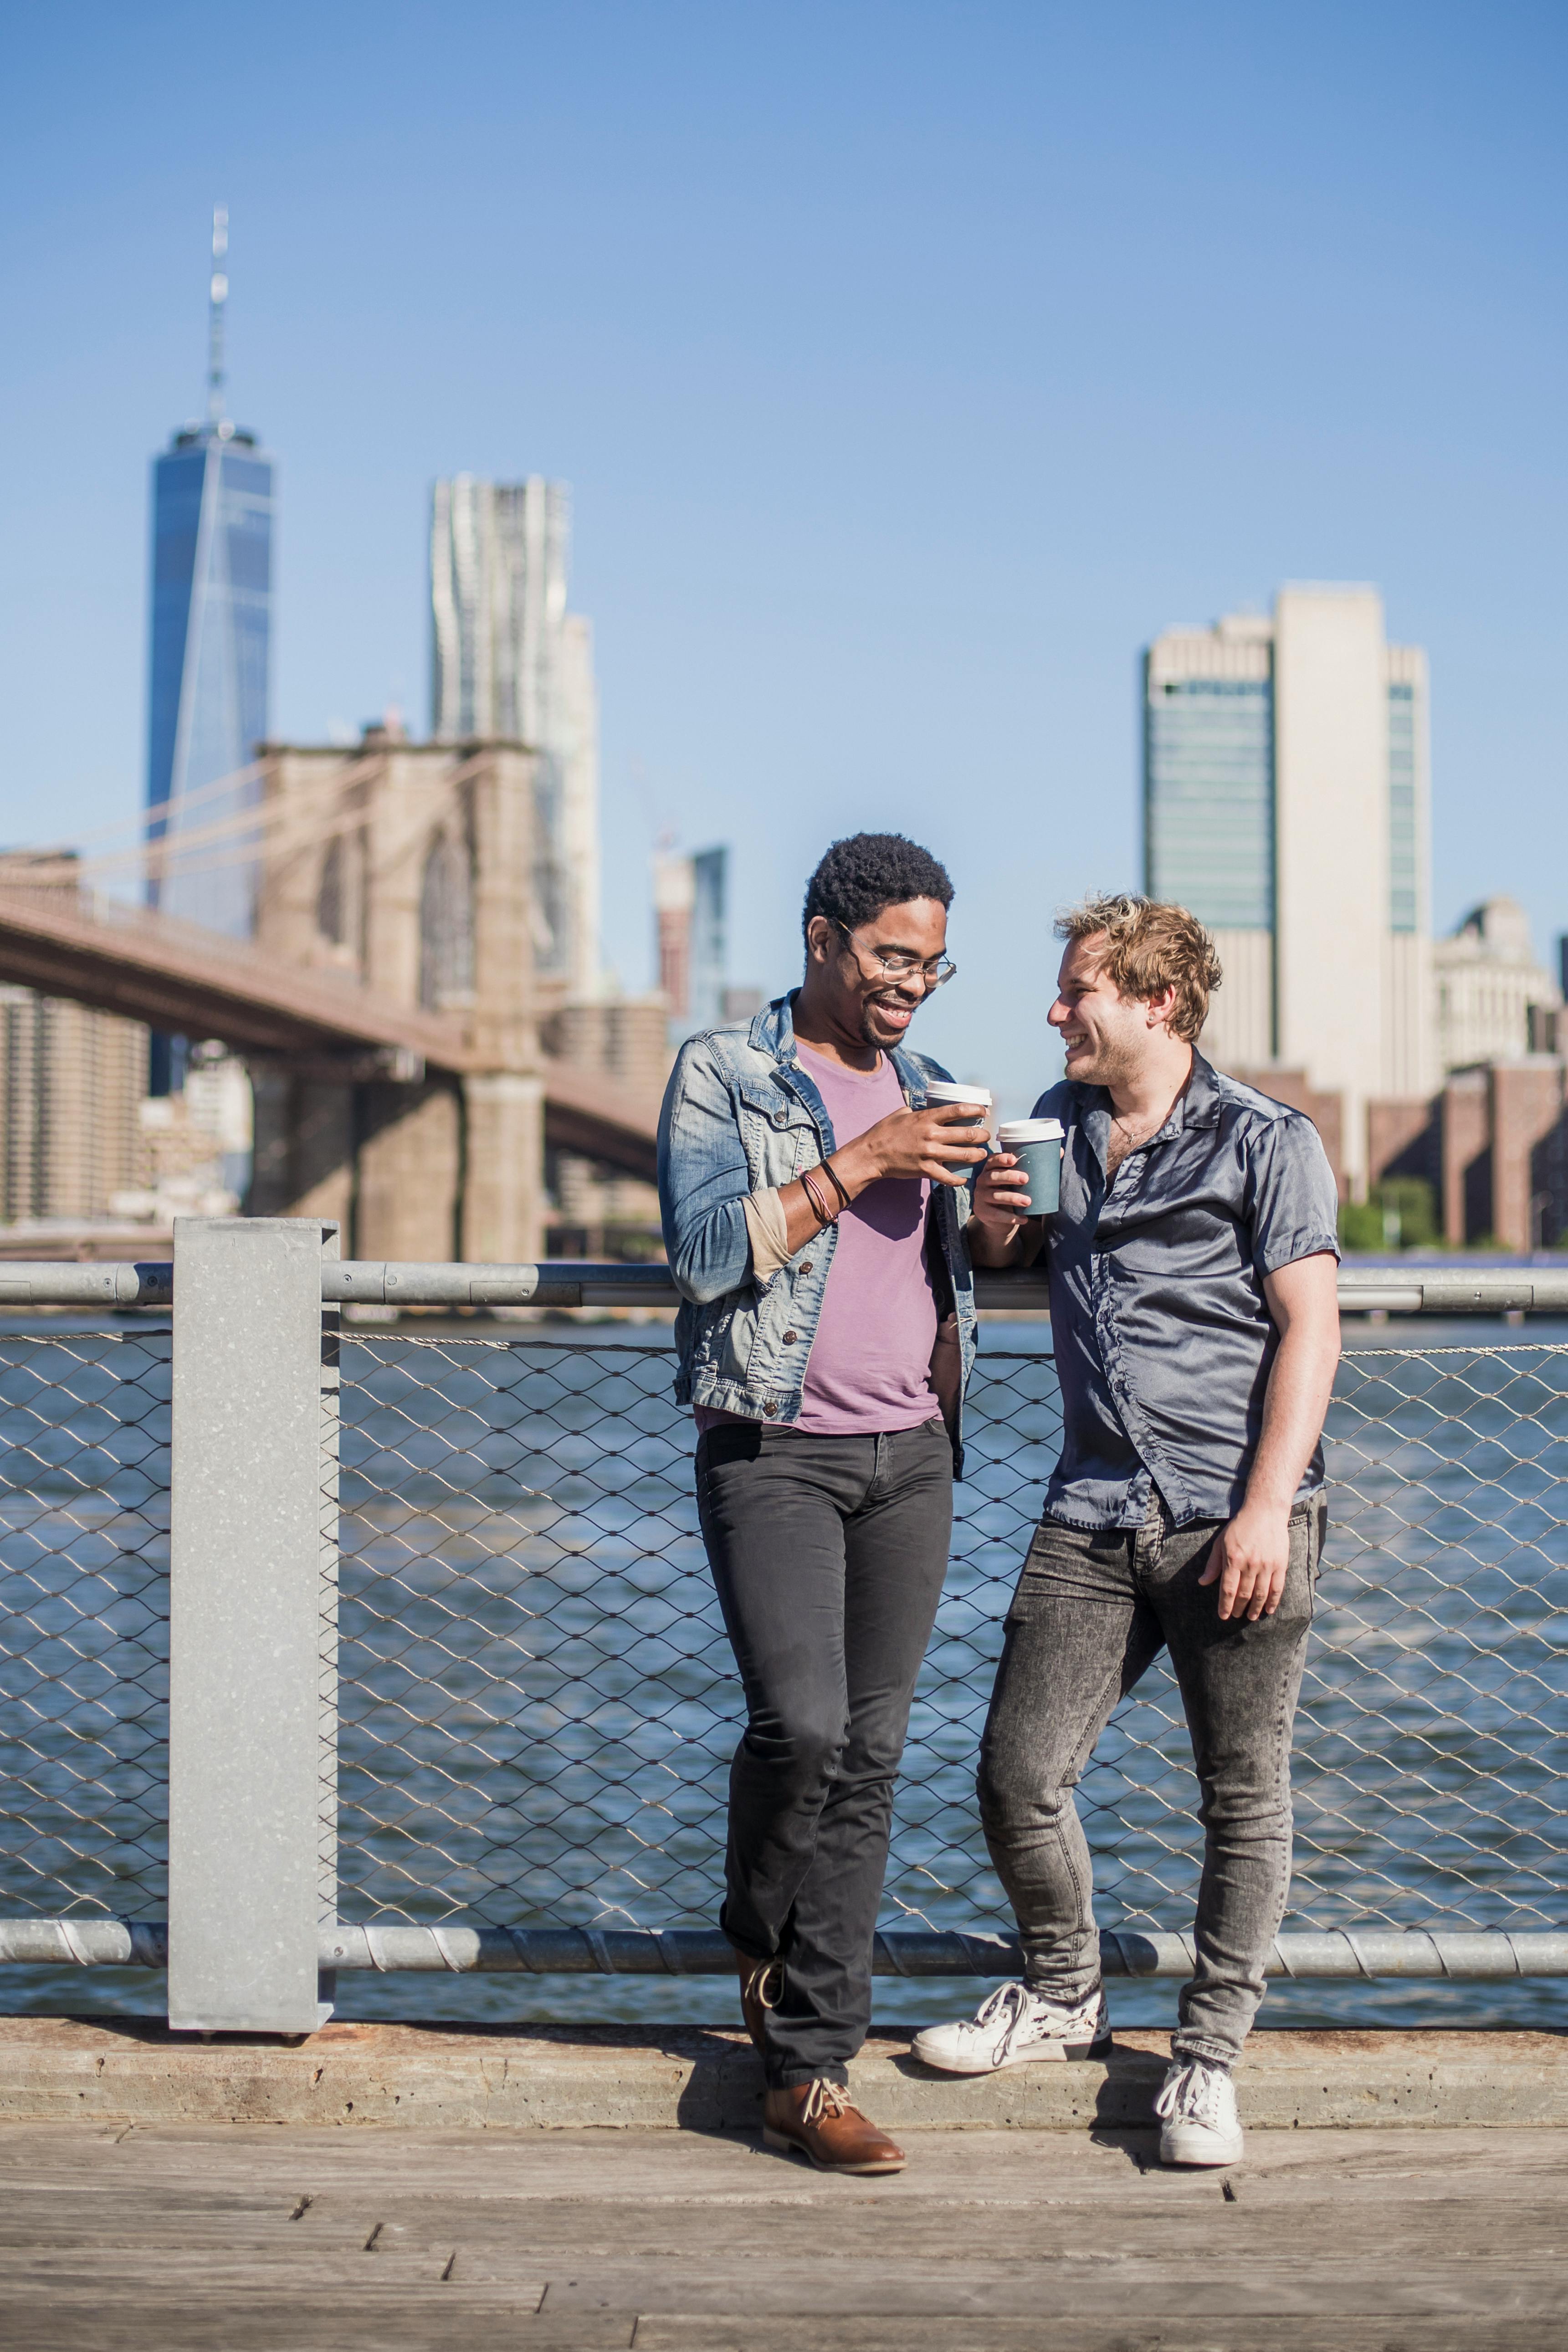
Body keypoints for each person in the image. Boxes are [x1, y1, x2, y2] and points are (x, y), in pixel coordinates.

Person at [913, 894, 1341, 2168]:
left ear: (1155, 1000)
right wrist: (996, 1221)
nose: (1054, 1013)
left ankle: (1206, 2062)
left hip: (1234, 1514)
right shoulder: (1069, 1134)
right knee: (1013, 1772)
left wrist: (1265, 1507)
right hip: (1092, 1506)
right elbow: (1013, 1261)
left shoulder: (1269, 1139)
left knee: (1239, 1800)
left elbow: (1309, 1331)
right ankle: (1063, 1994)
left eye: (1074, 992)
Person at [658, 832, 987, 2174]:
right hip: (772, 1444)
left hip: (911, 1453)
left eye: (932, 959)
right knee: (799, 1727)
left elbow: (951, 1269)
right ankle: (755, 1921)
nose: (913, 982)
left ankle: (810, 2069)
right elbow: (700, 1254)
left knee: (870, 1758)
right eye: (891, 955)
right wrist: (864, 1159)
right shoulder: (724, 1071)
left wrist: (1004, 1211)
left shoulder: (930, 1085)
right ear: (819, 938)